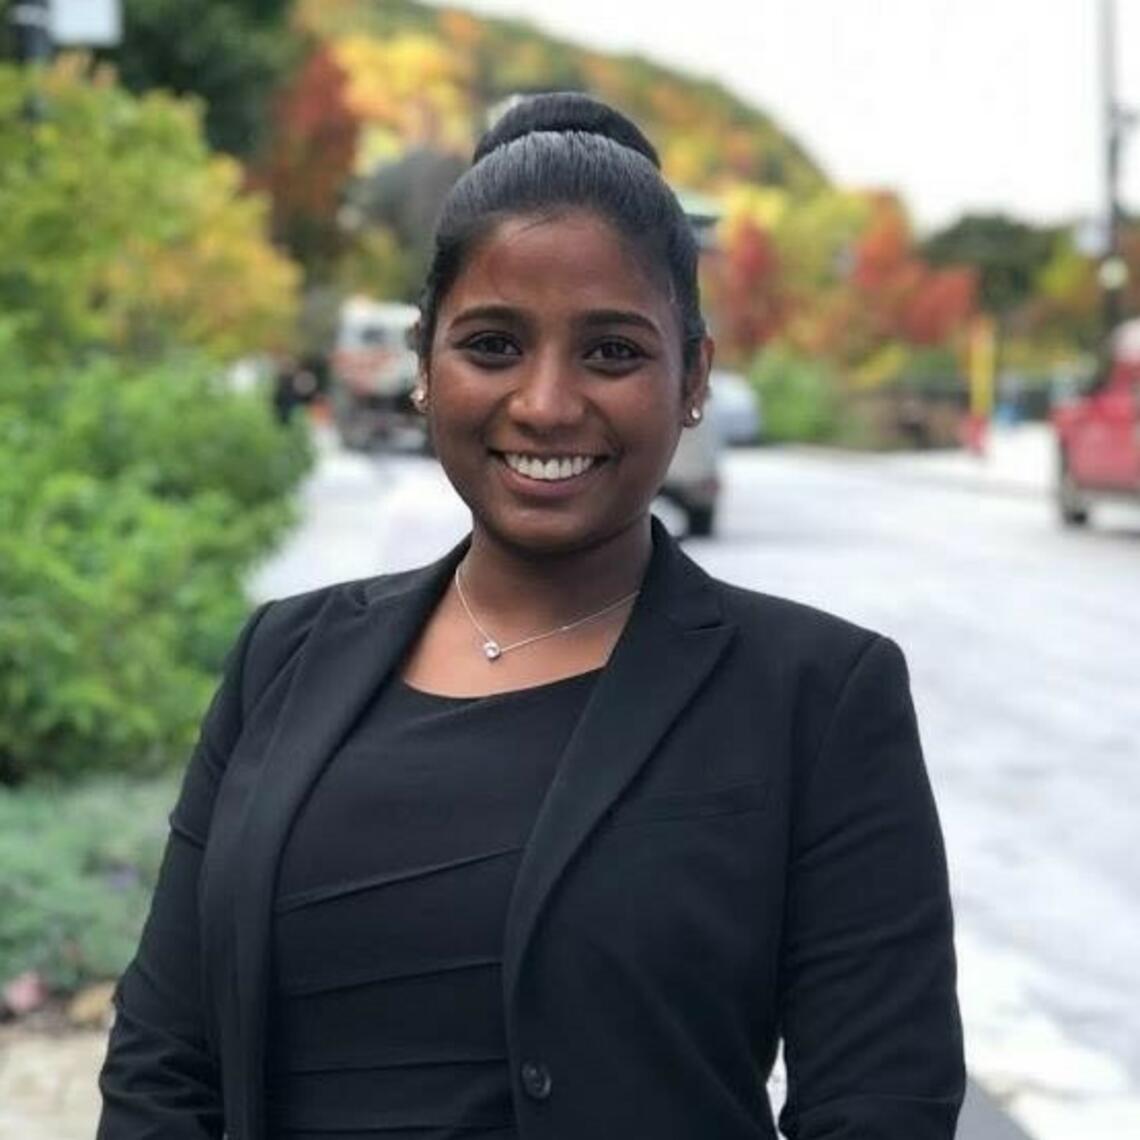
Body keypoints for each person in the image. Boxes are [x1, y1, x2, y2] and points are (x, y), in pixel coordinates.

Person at [97, 93, 964, 1140]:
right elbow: (164, 1063)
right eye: (494, 345)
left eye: (611, 352)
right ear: (424, 366)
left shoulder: (819, 699)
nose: (547, 404)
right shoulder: (283, 660)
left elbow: (881, 1106)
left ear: (693, 378)